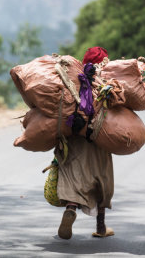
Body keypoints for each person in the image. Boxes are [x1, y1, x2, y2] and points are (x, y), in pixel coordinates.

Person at [55, 47, 115, 240]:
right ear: (103, 62)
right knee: (101, 180)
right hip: (98, 139)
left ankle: (70, 209)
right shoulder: (104, 81)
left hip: (74, 138)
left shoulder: (73, 79)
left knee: (75, 178)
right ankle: (101, 226)